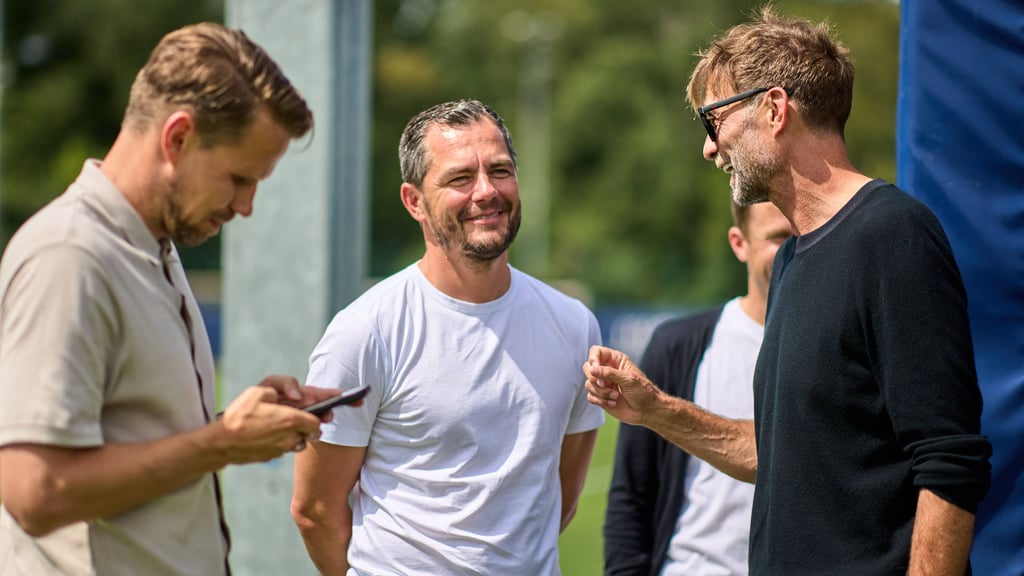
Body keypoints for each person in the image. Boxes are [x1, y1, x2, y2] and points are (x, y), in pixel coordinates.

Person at [585, 8, 992, 576]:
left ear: (774, 109)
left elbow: (949, 462)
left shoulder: (893, 234)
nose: (710, 148)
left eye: (715, 121)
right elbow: (784, 455)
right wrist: (656, 410)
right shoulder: (792, 259)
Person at [0, 23, 345, 576]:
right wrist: (219, 444)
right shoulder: (69, 255)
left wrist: (237, 424)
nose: (246, 206)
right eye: (237, 179)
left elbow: (129, 438)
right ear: (177, 138)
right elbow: (34, 491)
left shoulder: (152, 246)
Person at [291, 99, 605, 576]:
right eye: (460, 178)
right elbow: (315, 510)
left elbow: (560, 499)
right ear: (414, 201)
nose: (486, 191)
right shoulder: (365, 331)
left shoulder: (573, 325)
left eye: (500, 171)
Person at [605, 200, 791, 576]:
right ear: (740, 244)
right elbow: (631, 499)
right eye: (779, 238)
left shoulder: (841, 347)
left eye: (805, 235)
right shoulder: (679, 346)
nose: (795, 249)